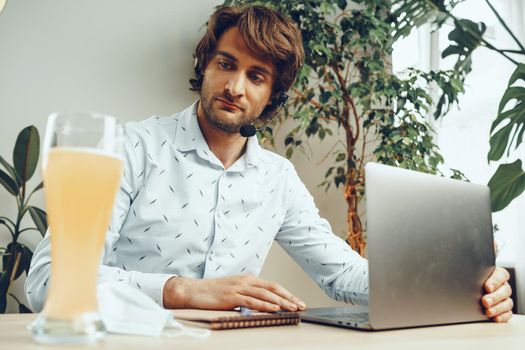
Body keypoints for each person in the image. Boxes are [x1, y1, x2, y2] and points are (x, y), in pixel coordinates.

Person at [26, 5, 513, 322]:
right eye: (226, 64)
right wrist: (183, 291)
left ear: (272, 95)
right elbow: (49, 280)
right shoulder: (132, 148)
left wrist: (462, 286)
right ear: (205, 66)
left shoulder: (277, 179)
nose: (235, 87)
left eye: (256, 76)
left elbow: (342, 274)